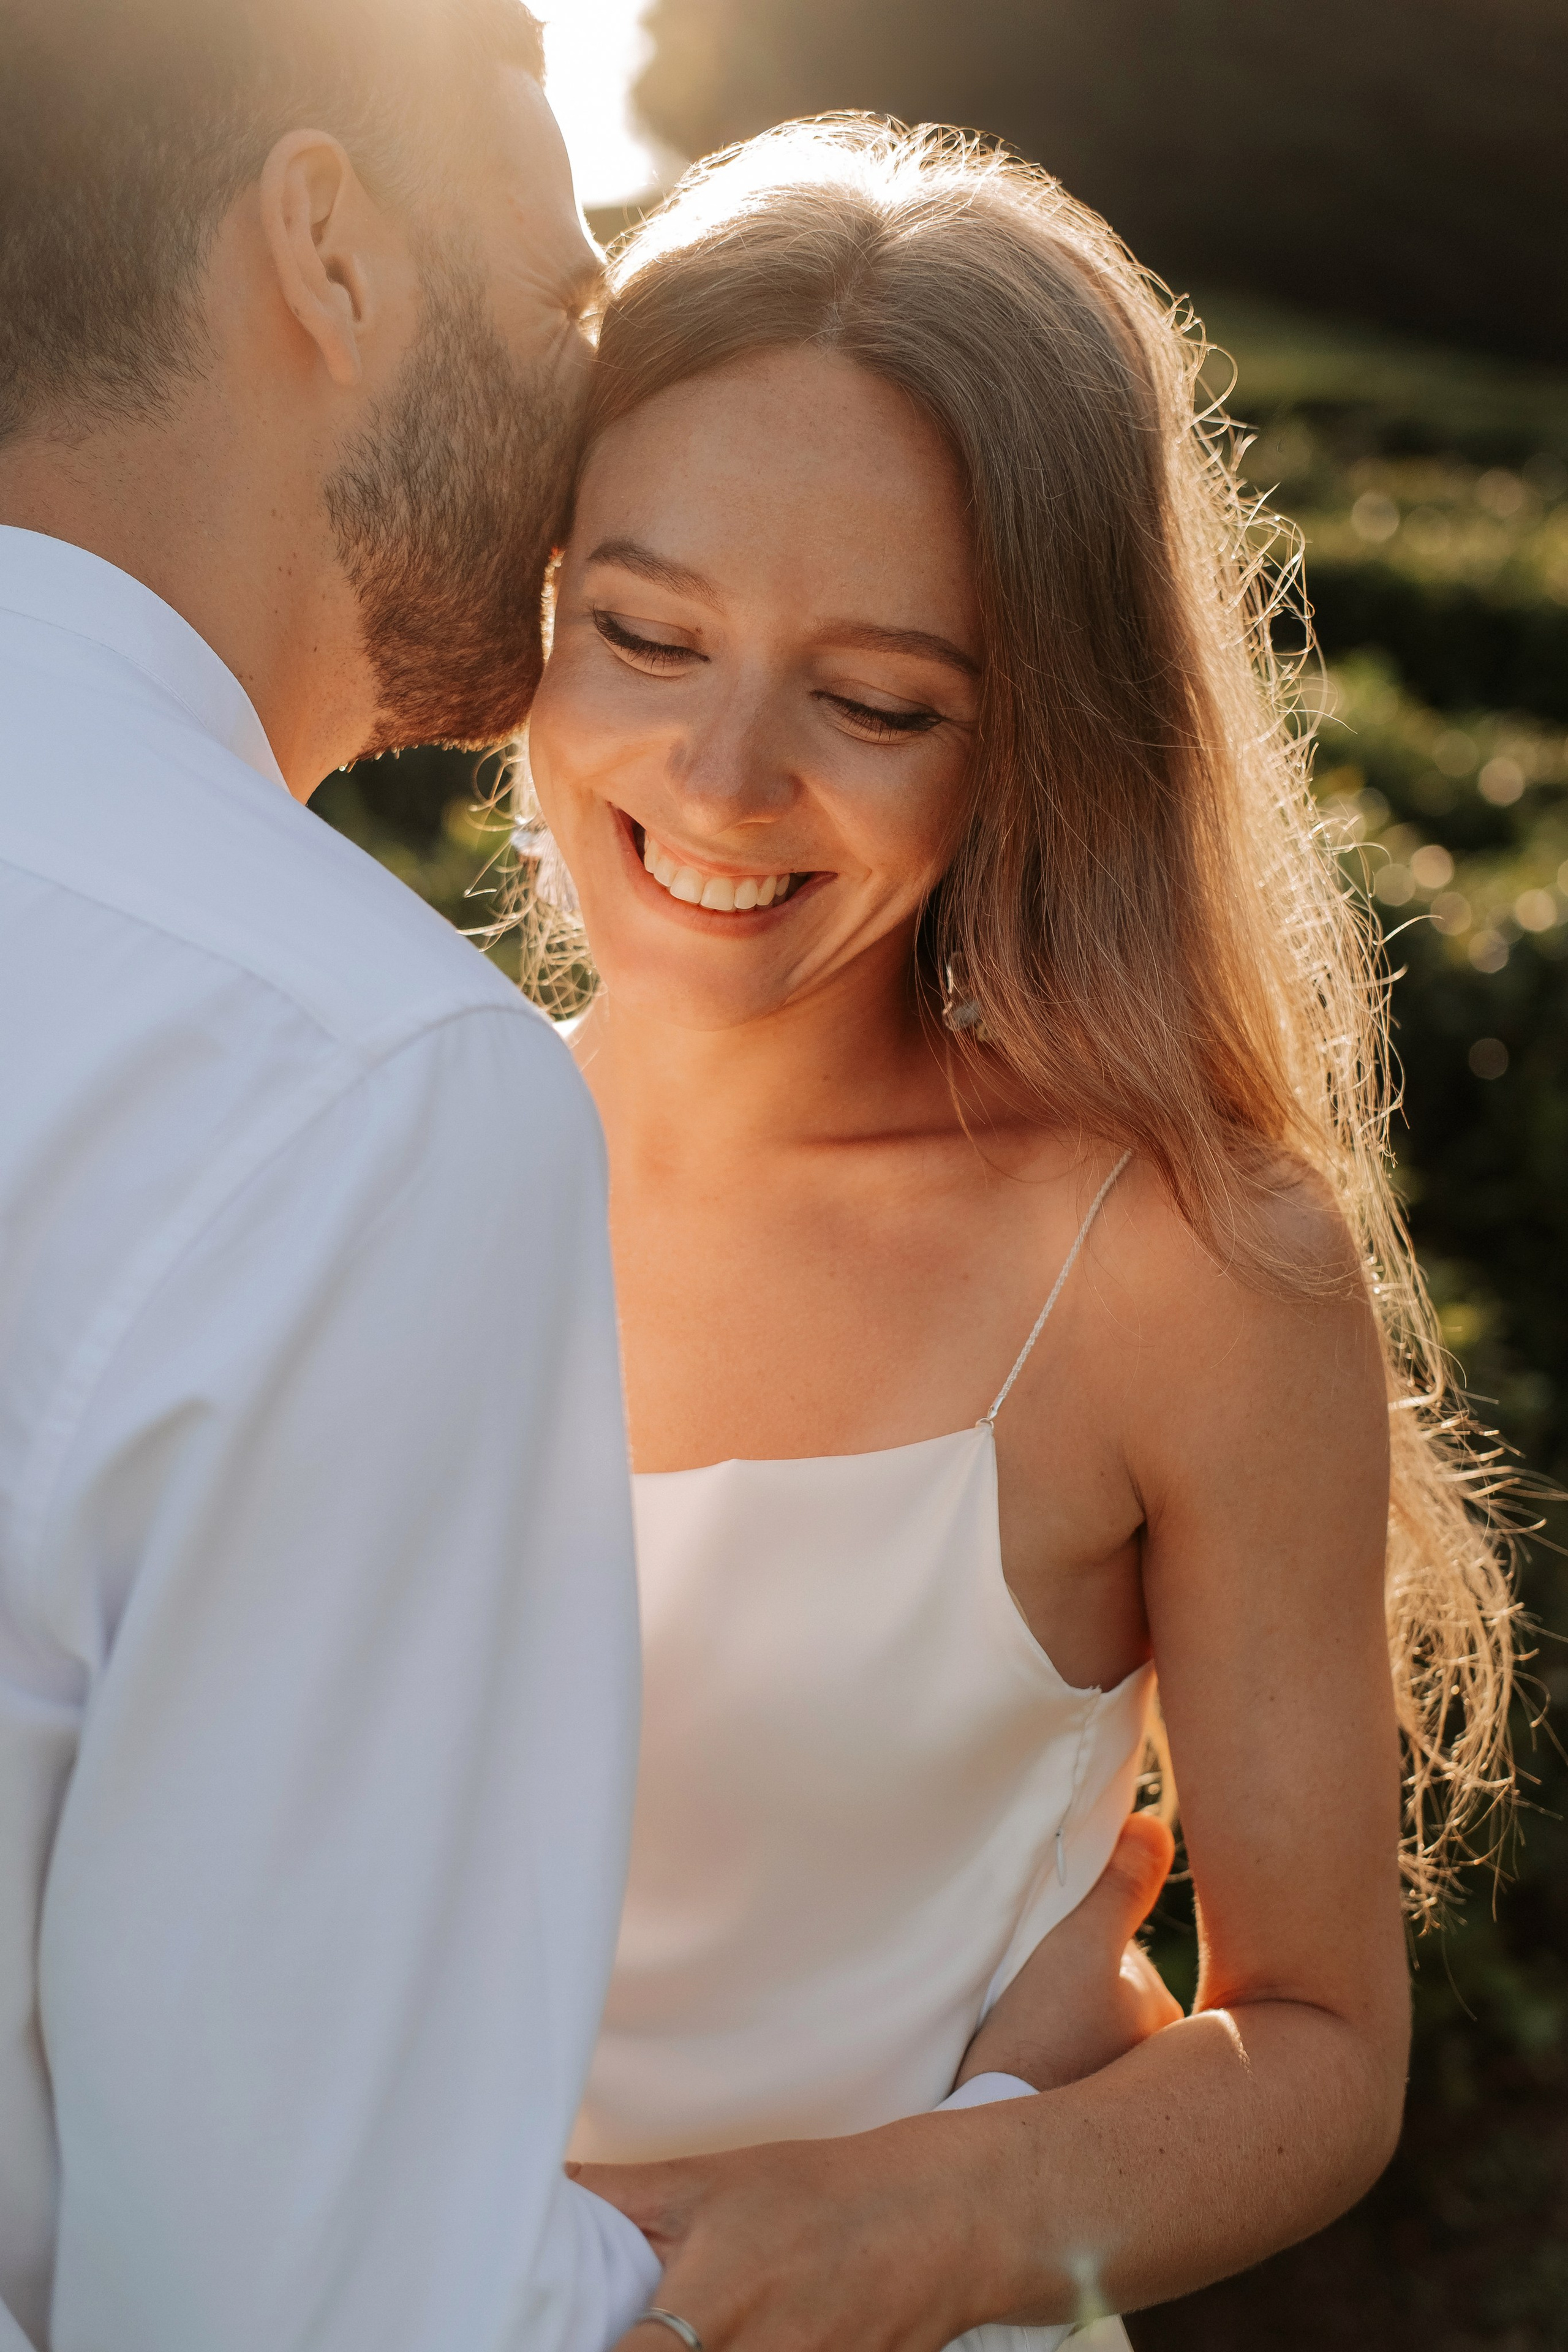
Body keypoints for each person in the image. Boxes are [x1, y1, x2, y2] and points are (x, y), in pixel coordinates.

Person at [0, 11, 1172, 2350]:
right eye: (554, 304)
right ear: (324, 248)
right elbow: (312, 2304)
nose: (575, 425)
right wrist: (964, 2183)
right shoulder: (369, 1081)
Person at [512, 119, 1520, 2348]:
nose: (723, 773)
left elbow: (1323, 2050)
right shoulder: (388, 1147)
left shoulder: (1178, 1265)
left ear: (1038, 737)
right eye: (646, 632)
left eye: (877, 699)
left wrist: (937, 2211)